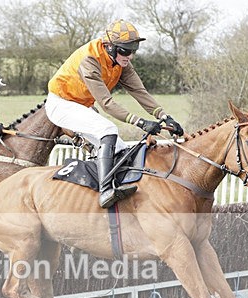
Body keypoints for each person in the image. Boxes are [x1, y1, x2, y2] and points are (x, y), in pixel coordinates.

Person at [46, 20, 184, 208]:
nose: (130, 56)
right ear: (109, 46)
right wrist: (141, 123)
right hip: (61, 104)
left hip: (82, 105)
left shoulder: (121, 61)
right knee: (108, 130)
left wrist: (165, 117)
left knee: (120, 149)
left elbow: (139, 91)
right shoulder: (90, 60)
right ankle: (105, 191)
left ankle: (103, 191)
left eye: (134, 50)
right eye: (126, 50)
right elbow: (107, 104)